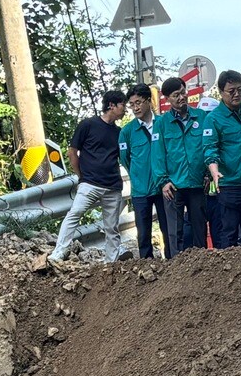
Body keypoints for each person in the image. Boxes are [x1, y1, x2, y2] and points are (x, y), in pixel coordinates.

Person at [52, 90, 126, 263]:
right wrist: (82, 177)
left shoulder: (120, 132)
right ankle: (58, 253)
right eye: (122, 105)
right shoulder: (88, 125)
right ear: (111, 105)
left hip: (113, 186)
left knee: (112, 227)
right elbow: (72, 152)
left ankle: (111, 262)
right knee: (74, 214)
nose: (125, 109)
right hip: (90, 183)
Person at [202, 70, 241, 247]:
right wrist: (215, 172)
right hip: (231, 186)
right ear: (221, 93)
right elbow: (210, 149)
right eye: (231, 91)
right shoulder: (213, 119)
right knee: (229, 235)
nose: (236, 94)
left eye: (240, 89)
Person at [156, 77, 210, 252]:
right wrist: (163, 181)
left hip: (197, 182)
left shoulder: (201, 117)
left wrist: (208, 174)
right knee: (175, 232)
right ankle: (178, 272)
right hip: (174, 186)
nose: (181, 98)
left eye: (182, 93)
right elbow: (158, 155)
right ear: (167, 99)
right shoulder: (162, 123)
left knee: (199, 229)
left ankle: (202, 266)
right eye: (175, 95)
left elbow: (208, 147)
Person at [120, 84, 170, 258]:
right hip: (140, 190)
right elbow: (125, 159)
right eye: (132, 104)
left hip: (164, 187)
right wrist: (138, 174)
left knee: (168, 228)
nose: (135, 108)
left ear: (149, 101)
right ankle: (147, 266)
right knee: (143, 233)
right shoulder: (127, 131)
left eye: (139, 103)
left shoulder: (164, 123)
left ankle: (173, 264)